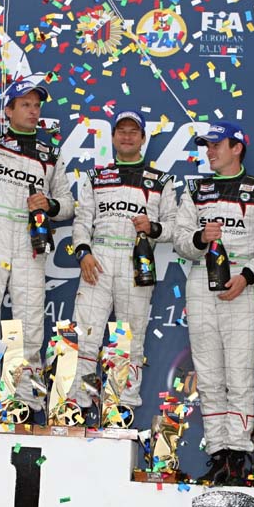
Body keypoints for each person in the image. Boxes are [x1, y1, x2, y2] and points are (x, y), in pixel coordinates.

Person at [0, 0, 74, 417]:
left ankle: (21, 403)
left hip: (29, 242)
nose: (34, 110)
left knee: (28, 325)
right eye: (26, 104)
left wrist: (50, 203)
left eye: (38, 105)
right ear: (8, 109)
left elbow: (67, 204)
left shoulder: (50, 153)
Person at [173, 122, 254, 485]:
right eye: (207, 145)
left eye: (217, 145)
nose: (210, 151)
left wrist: (247, 276)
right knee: (209, 377)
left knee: (239, 375)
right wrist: (200, 237)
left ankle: (239, 455)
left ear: (237, 148)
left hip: (240, 283)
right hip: (201, 282)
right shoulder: (195, 190)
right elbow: (180, 240)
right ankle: (218, 454)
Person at [69, 110, 177, 421]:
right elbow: (82, 221)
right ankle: (76, 405)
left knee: (127, 338)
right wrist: (83, 252)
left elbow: (174, 228)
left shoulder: (161, 181)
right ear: (113, 137)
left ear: (143, 138)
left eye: (133, 132)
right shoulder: (95, 176)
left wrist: (152, 228)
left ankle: (119, 408)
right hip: (98, 260)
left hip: (136, 261)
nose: (127, 136)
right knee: (84, 334)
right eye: (121, 131)